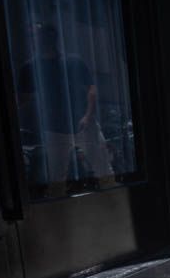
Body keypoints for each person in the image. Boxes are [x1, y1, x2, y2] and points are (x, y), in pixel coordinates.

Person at [17, 22, 113, 197]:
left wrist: (87, 116)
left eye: (41, 37)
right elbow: (22, 98)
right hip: (57, 129)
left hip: (82, 125)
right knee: (57, 179)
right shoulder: (30, 68)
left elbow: (92, 89)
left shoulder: (72, 61)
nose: (39, 41)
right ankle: (59, 211)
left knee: (103, 171)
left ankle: (114, 201)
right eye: (37, 38)